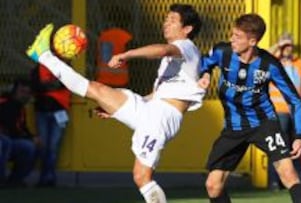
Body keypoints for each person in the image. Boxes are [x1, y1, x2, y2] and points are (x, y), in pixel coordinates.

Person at [26, 4, 204, 202]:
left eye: (172, 20)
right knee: (97, 89)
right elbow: (156, 95)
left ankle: (43, 55)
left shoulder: (186, 47)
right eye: (166, 19)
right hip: (152, 109)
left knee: (141, 177)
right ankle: (43, 54)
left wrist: (126, 54)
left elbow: (163, 50)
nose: (166, 23)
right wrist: (116, 110)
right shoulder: (175, 62)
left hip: (162, 118)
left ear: (187, 29)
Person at [199, 14, 301, 203]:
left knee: (288, 174)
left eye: (237, 36)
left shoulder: (270, 65)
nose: (231, 39)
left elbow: (295, 100)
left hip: (264, 123)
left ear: (252, 41)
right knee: (213, 185)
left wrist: (299, 136)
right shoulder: (222, 52)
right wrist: (205, 74)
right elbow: (203, 63)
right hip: (234, 127)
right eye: (232, 34)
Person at [267, 33, 301, 190]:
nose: (287, 49)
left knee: (297, 146)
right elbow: (264, 56)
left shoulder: (298, 63)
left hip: (295, 111)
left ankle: (297, 180)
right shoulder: (274, 62)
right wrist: (278, 45)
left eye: (289, 46)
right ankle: (275, 181)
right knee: (278, 146)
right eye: (285, 46)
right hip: (278, 110)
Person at [30, 62, 71, 187]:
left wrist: (47, 85)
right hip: (42, 111)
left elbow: (68, 83)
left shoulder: (65, 66)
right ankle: (45, 177)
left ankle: (49, 177)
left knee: (53, 146)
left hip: (59, 111)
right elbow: (36, 86)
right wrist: (53, 85)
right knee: (44, 146)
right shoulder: (38, 68)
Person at [0, 79, 38, 187]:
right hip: (4, 140)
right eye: (22, 92)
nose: (25, 95)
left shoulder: (20, 107)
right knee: (4, 142)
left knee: (29, 147)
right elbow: (9, 126)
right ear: (14, 91)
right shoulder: (4, 103)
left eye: (27, 93)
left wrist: (32, 137)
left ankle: (15, 180)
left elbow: (22, 127)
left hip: (10, 140)